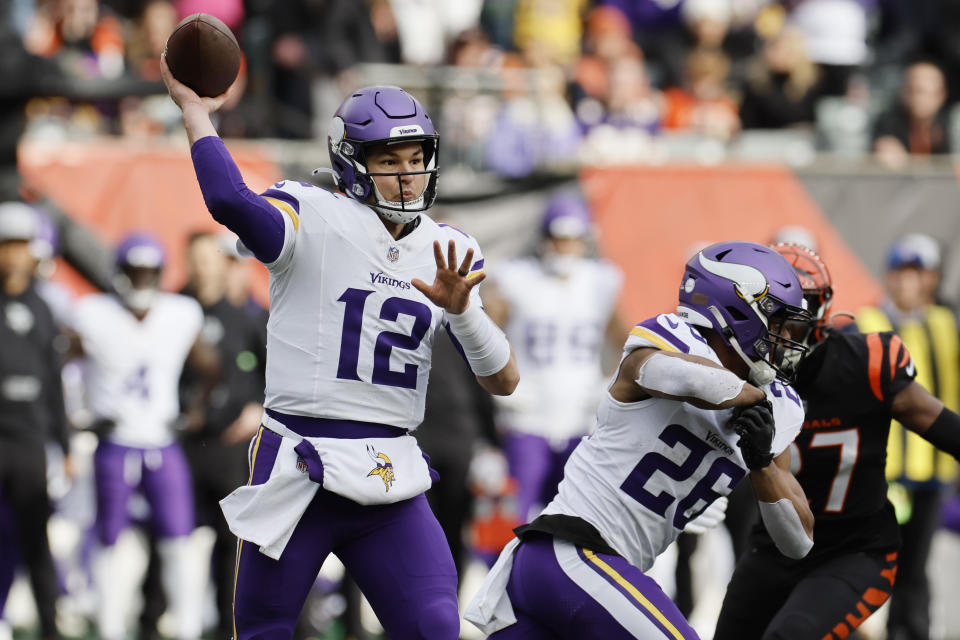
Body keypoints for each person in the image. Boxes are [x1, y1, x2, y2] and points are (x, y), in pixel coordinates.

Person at [160, 54, 519, 639]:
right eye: (388, 161)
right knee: (264, 632)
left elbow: (504, 380)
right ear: (351, 164)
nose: (408, 175)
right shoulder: (312, 215)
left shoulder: (447, 247)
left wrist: (464, 315)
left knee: (435, 628)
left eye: (416, 159)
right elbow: (230, 202)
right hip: (300, 462)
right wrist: (197, 113)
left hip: (391, 471)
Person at [467, 241, 815, 639]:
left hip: (594, 572)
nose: (785, 338)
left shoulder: (780, 406)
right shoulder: (671, 336)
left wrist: (762, 461)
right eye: (776, 323)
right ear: (738, 311)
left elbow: (798, 540)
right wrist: (754, 397)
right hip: (572, 552)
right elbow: (679, 376)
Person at [714, 242, 960, 640]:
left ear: (818, 311)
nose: (779, 326)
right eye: (769, 310)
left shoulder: (865, 361)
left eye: (793, 311)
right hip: (773, 550)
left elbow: (939, 423)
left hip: (854, 551)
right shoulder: (738, 372)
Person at [70, 232, 212, 640]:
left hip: (162, 443)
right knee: (109, 538)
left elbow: (211, 368)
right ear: (118, 273)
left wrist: (194, 412)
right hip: (114, 443)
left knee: (179, 538)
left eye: (149, 273)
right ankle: (111, 627)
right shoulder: (93, 313)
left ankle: (187, 627)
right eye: (134, 273)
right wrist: (80, 412)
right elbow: (57, 361)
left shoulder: (180, 313)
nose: (141, 281)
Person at [483, 192, 624, 523]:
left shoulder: (600, 281)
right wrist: (501, 383)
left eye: (572, 239)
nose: (565, 247)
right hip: (528, 416)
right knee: (515, 518)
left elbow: (627, 341)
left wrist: (610, 384)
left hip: (580, 416)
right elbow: (483, 335)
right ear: (544, 239)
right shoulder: (517, 278)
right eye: (558, 239)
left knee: (577, 516)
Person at [854, 233, 957, 640]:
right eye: (903, 272)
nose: (910, 283)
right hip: (886, 473)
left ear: (932, 278)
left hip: (933, 474)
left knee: (916, 566)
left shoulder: (946, 324)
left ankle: (910, 632)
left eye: (920, 273)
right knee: (873, 562)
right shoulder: (866, 323)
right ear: (889, 276)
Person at [178, 230, 267, 639]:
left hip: (231, 448)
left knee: (233, 543)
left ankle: (228, 626)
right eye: (195, 258)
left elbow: (275, 376)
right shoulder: (170, 311)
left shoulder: (247, 319)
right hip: (180, 447)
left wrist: (258, 409)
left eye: (209, 258)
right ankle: (167, 621)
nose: (203, 267)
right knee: (174, 540)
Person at [0, 202, 71, 640]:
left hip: (28, 442)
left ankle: (51, 628)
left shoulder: (44, 308)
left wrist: (63, 445)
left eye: (20, 246)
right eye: (6, 245)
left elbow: (53, 382)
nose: (12, 255)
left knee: (35, 538)